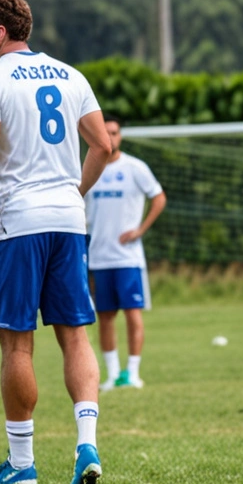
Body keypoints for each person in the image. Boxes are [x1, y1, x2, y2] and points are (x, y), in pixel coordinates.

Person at [0, 0, 112, 484]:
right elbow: (103, 146)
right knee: (74, 335)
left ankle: (22, 465)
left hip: (15, 224)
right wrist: (72, 192)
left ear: (0, 32)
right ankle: (87, 443)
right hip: (69, 220)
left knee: (17, 346)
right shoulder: (71, 75)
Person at [84, 116, 166, 391]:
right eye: (105, 133)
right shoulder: (90, 168)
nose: (111, 137)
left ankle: (132, 373)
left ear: (121, 136)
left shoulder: (135, 167)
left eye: (115, 132)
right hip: (98, 256)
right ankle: (112, 374)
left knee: (133, 314)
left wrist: (140, 229)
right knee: (105, 316)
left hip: (128, 257)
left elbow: (159, 196)